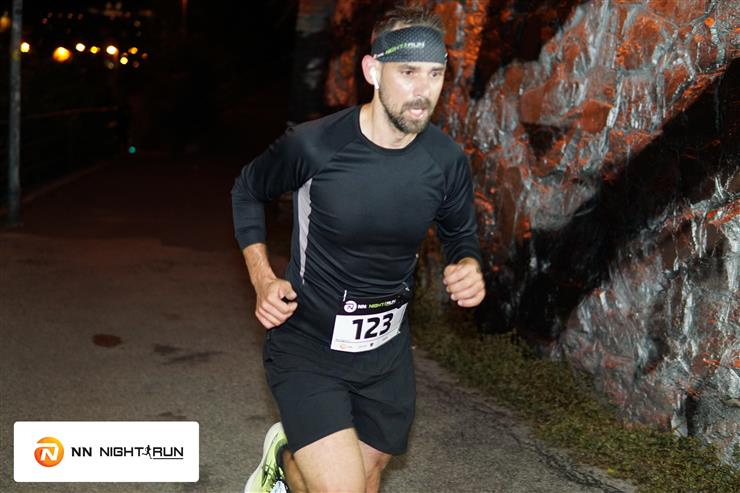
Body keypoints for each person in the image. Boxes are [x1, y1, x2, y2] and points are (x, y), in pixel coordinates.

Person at [232, 6, 485, 493]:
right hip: (308, 346)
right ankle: (292, 456)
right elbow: (248, 190)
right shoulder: (314, 146)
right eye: (408, 72)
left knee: (367, 476)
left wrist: (468, 264)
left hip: (386, 354)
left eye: (435, 74)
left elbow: (460, 234)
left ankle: (285, 462)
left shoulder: (446, 160)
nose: (423, 89)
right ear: (373, 70)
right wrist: (262, 278)